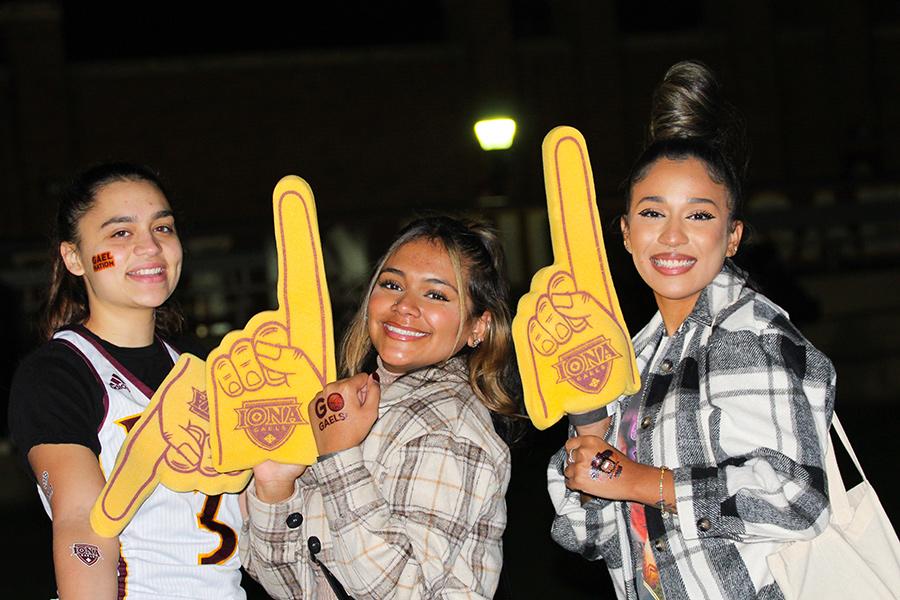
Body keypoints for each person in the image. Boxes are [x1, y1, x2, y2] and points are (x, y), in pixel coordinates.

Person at [547, 61, 836, 599]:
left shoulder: (749, 335)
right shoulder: (628, 356)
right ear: (627, 233)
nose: (673, 236)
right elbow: (592, 536)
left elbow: (798, 500)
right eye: (653, 214)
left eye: (699, 216)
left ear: (732, 237)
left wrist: (641, 480)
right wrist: (589, 438)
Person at [240, 216, 518, 599]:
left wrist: (339, 455)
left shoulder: (448, 426)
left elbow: (401, 592)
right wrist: (275, 487)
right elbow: (294, 588)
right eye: (392, 284)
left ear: (478, 327)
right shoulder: (350, 406)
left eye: (436, 295)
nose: (405, 306)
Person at [8, 163, 245, 600]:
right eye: (120, 233)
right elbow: (83, 522)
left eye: (163, 227)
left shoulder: (207, 373)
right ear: (75, 257)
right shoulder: (59, 374)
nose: (150, 246)